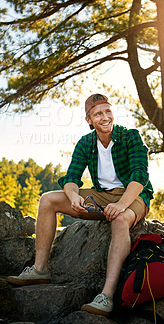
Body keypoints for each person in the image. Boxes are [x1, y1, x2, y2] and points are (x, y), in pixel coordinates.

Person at [7, 93, 153, 317]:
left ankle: (106, 296)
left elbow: (139, 177)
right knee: (48, 199)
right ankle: (40, 269)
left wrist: (122, 205)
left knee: (120, 220)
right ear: (89, 120)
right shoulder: (86, 143)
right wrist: (74, 196)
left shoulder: (130, 136)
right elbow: (71, 177)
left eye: (107, 111)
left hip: (132, 195)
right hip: (102, 195)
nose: (104, 117)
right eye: (98, 114)